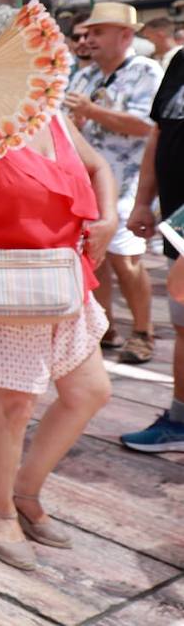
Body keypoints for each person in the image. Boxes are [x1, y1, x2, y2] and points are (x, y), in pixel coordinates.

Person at [0, 5, 116, 570]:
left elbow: (99, 168)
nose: (43, 57)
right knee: (14, 403)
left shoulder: (50, 115)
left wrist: (106, 217)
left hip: (61, 273)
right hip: (0, 274)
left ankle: (27, 491)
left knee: (89, 392)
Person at [66, 1, 164, 363]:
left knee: (126, 258)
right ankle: (106, 328)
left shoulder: (146, 71)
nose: (88, 39)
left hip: (130, 183)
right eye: (88, 32)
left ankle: (143, 331)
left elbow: (145, 125)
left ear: (125, 36)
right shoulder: (85, 76)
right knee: (97, 256)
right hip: (90, 182)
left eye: (97, 32)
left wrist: (90, 112)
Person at [122, 41, 184, 452]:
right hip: (178, 223)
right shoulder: (180, 60)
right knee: (182, 323)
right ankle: (180, 420)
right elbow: (158, 134)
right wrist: (144, 200)